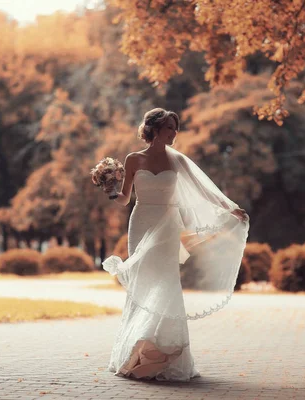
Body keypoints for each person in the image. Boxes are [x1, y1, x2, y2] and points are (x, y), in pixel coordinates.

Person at [102, 108, 249, 381]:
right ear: (154, 129)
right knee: (141, 282)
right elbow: (125, 199)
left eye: (175, 128)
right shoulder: (133, 159)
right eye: (169, 127)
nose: (174, 132)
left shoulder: (178, 161)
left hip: (167, 225)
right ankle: (135, 352)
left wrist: (231, 208)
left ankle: (167, 354)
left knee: (167, 282)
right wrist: (112, 190)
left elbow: (205, 191)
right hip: (141, 221)